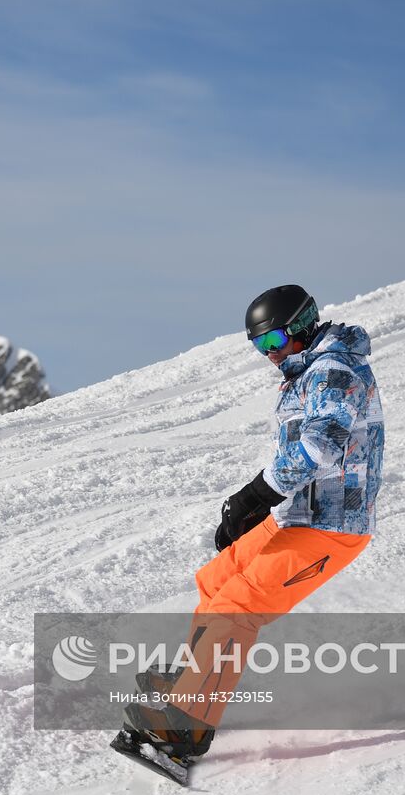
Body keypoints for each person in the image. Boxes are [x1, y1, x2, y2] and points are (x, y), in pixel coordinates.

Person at [117, 284, 386, 768]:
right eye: (260, 346)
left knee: (237, 608)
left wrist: (256, 495)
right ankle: (193, 681)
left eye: (275, 340)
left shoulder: (333, 372)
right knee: (216, 580)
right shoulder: (308, 371)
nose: (270, 354)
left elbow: (322, 446)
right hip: (298, 514)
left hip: (333, 523)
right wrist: (253, 509)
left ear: (303, 327)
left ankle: (186, 726)